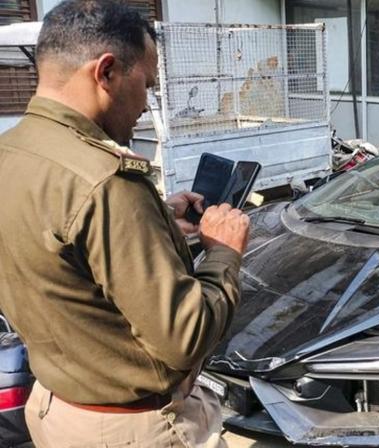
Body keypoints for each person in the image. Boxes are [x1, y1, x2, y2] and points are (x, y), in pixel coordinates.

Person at [0, 1, 250, 446]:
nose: (146, 103)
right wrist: (224, 253)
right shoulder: (107, 182)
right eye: (147, 84)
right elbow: (186, 337)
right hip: (130, 428)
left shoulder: (14, 150)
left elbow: (60, 252)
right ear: (107, 72)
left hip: (55, 408)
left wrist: (157, 219)